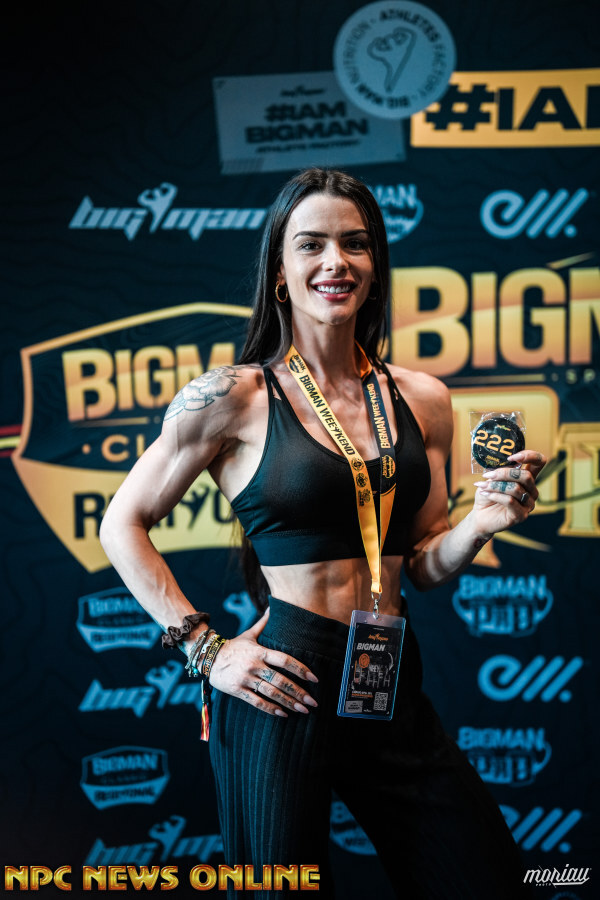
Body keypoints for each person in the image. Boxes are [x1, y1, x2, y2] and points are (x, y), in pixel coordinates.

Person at [100, 168, 544, 898]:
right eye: (311, 245)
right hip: (285, 676)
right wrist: (207, 651)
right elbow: (122, 524)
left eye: (355, 244)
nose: (335, 261)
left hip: (386, 670)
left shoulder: (424, 399)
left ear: (375, 265)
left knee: (483, 880)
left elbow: (423, 563)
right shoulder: (232, 396)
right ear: (280, 270)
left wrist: (481, 524)